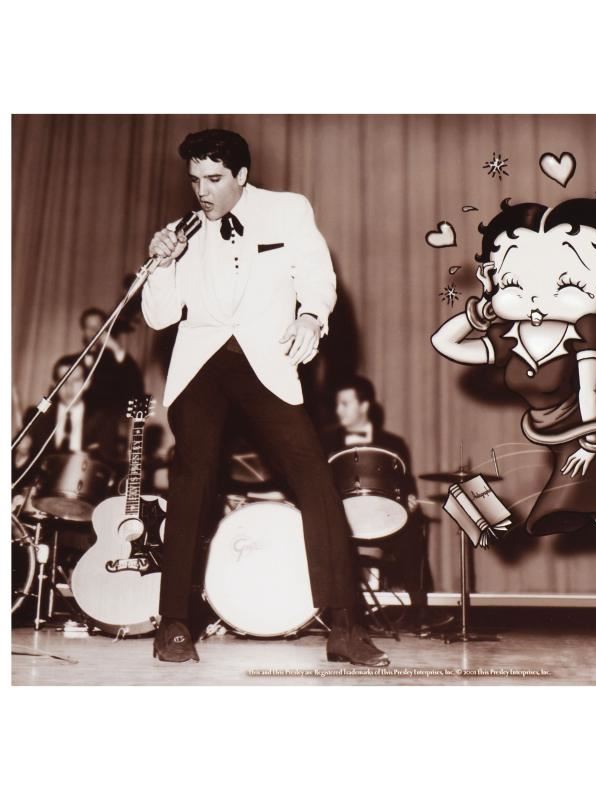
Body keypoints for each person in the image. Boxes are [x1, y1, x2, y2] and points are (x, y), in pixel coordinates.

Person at [142, 128, 388, 665]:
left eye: (214, 179)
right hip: (200, 367)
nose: (202, 191)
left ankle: (345, 627)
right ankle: (174, 624)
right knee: (191, 481)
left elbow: (317, 275)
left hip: (266, 362)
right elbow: (160, 317)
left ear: (241, 175)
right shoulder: (182, 232)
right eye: (195, 180)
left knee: (315, 481)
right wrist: (161, 264)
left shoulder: (287, 210)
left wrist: (310, 316)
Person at [431, 194, 596, 664]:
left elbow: (588, 393)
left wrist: (592, 443)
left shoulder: (585, 330)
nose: (536, 294)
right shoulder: (508, 339)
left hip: (593, 435)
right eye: (517, 279)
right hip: (562, 443)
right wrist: (478, 313)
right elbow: (443, 342)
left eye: (568, 280)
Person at [322, 376, 452, 633]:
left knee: (413, 532)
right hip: (342, 523)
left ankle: (421, 612)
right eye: (337, 404)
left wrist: (410, 499)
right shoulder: (326, 442)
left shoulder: (393, 444)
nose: (338, 410)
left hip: (384, 522)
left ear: (364, 406)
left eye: (345, 404)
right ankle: (334, 616)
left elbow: (406, 484)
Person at [78, 307, 145, 422]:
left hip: (109, 424)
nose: (94, 331)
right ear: (83, 331)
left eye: (98, 327)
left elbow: (137, 388)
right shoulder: (73, 362)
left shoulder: (118, 362)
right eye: (89, 327)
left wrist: (116, 348)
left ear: (106, 330)